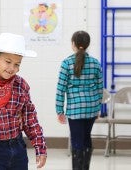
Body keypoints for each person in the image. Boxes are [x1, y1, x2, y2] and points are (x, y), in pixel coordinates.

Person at [0, 33, 47, 170]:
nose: (12, 68)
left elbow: (30, 119)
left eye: (17, 64)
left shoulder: (20, 85)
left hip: (17, 147)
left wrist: (40, 146)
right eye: (8, 62)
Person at [55, 30, 103, 170]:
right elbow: (100, 88)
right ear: (87, 44)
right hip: (91, 109)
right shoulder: (95, 63)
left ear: (73, 44)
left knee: (77, 141)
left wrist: (59, 110)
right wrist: (98, 108)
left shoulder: (66, 63)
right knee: (86, 138)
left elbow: (61, 89)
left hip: (75, 110)